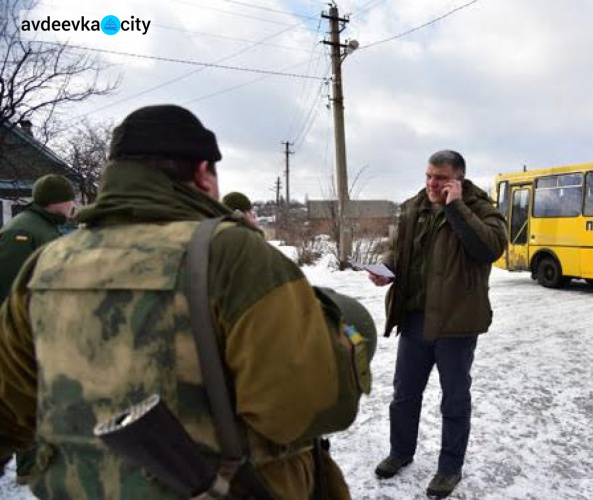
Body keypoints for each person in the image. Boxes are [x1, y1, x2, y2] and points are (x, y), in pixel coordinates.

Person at [0, 105, 374, 499]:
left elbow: (8, 409)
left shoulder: (47, 264)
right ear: (202, 172)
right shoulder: (230, 253)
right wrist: (342, 330)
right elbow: (300, 410)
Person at [370, 150, 507, 498]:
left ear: (458, 180)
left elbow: (489, 248)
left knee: (455, 400)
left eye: (441, 178)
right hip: (415, 319)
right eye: (429, 175)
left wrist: (456, 207)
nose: (432, 183)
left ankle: (449, 469)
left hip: (456, 323)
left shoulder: (481, 209)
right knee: (404, 394)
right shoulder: (414, 207)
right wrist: (386, 267)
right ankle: (401, 452)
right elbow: (398, 250)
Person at [0, 174, 76, 302]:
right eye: (70, 199)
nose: (73, 205)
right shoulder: (21, 232)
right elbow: (8, 288)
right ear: (56, 200)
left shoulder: (45, 225)